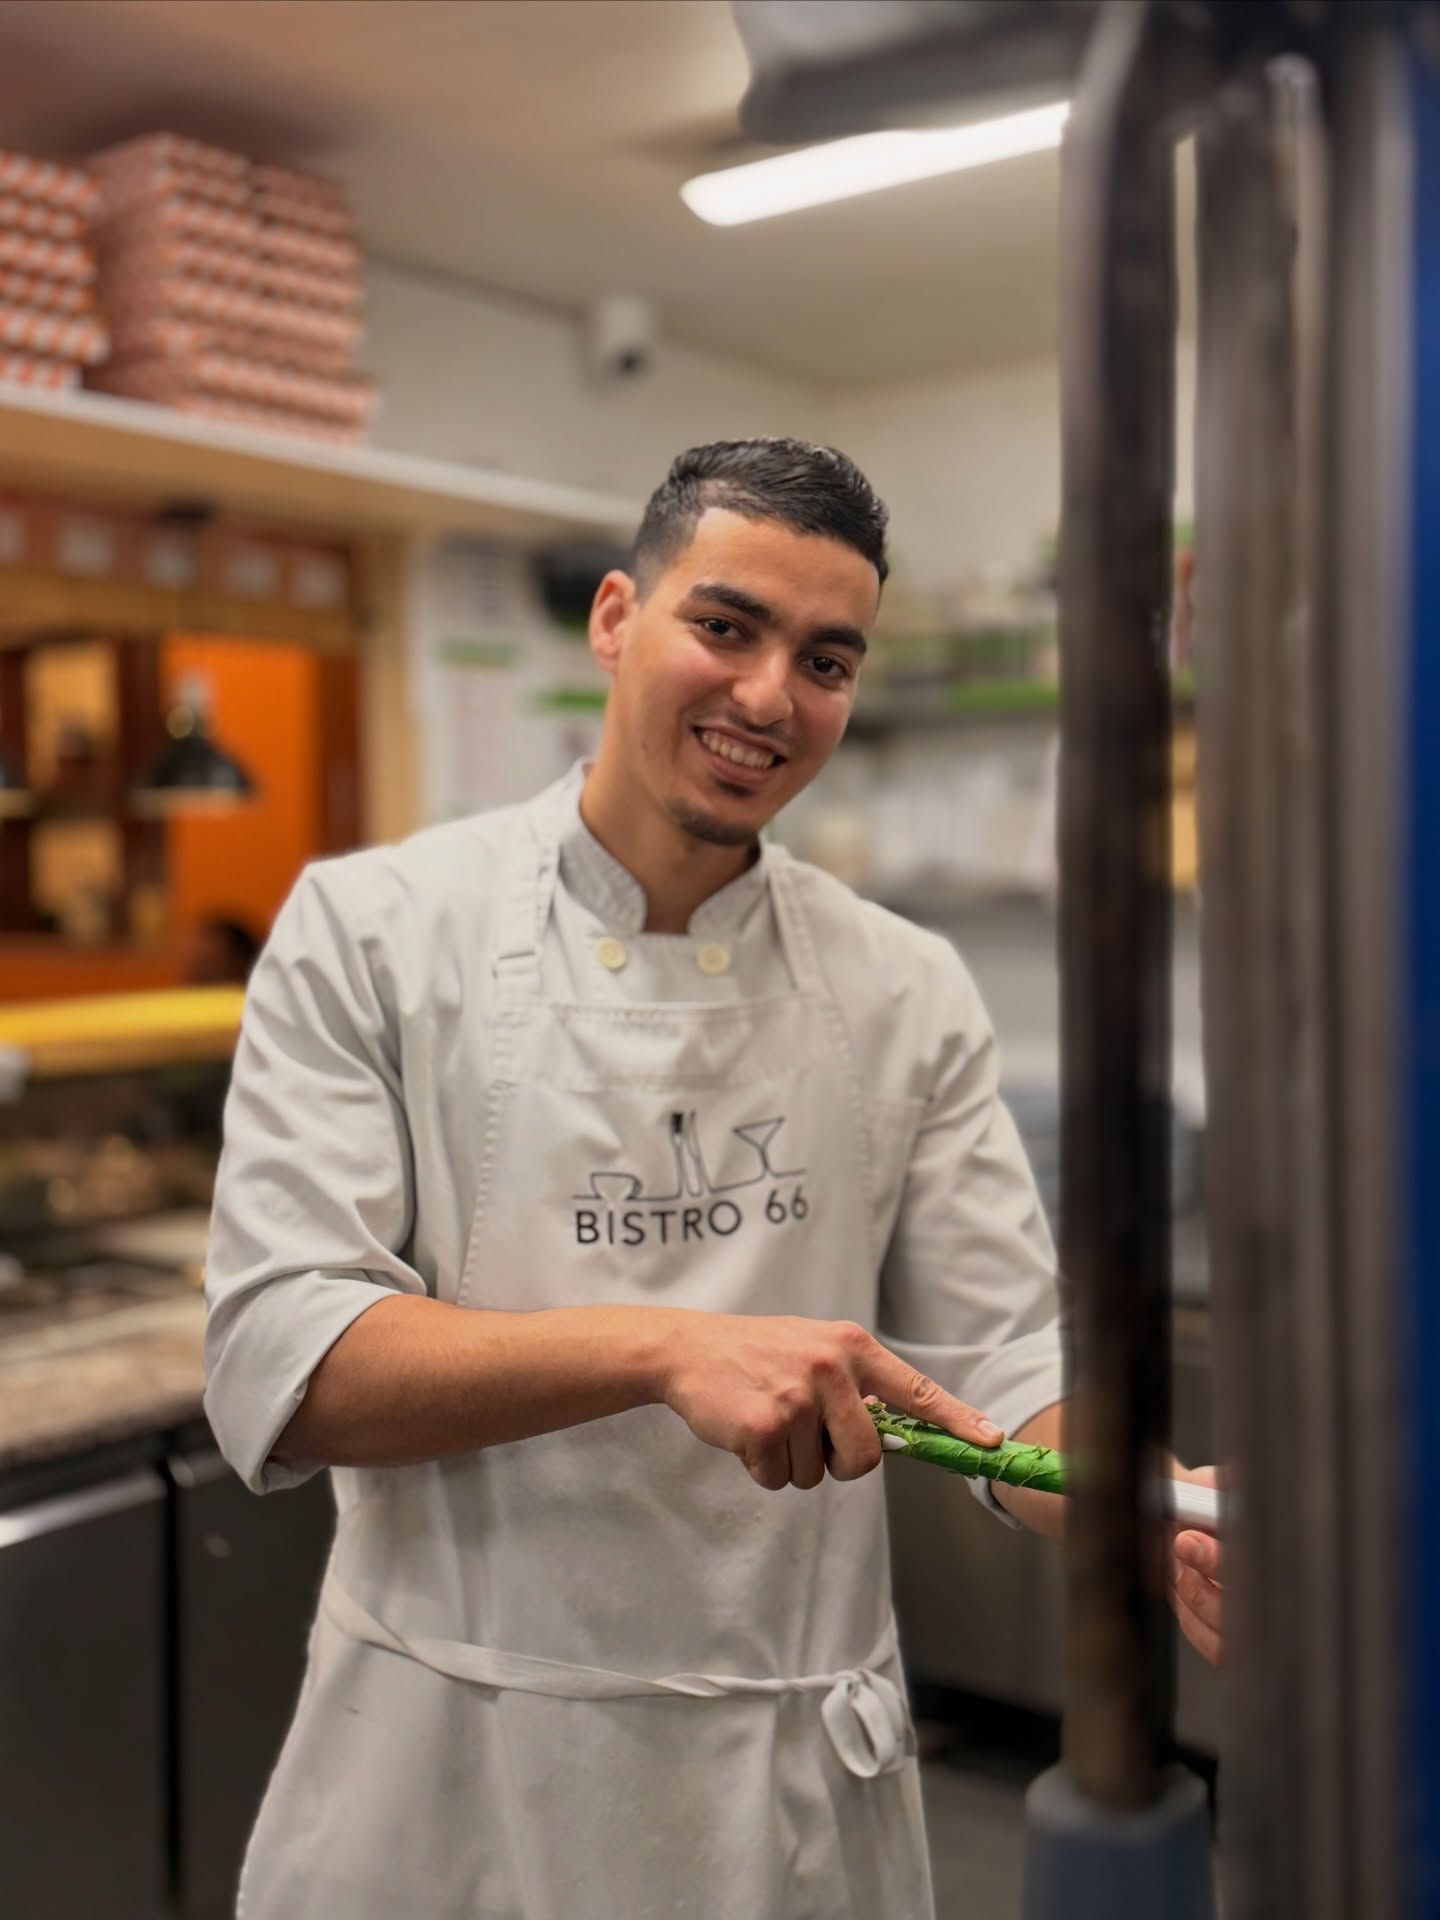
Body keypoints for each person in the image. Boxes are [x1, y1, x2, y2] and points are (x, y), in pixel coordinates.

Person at [204, 439, 1221, 1920]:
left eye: (826, 658)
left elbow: (1001, 1357)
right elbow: (284, 1359)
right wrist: (663, 1346)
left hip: (787, 1786)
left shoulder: (902, 985)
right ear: (618, 617)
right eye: (725, 626)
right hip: (453, 1777)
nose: (768, 697)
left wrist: (1151, 1498)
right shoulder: (373, 932)